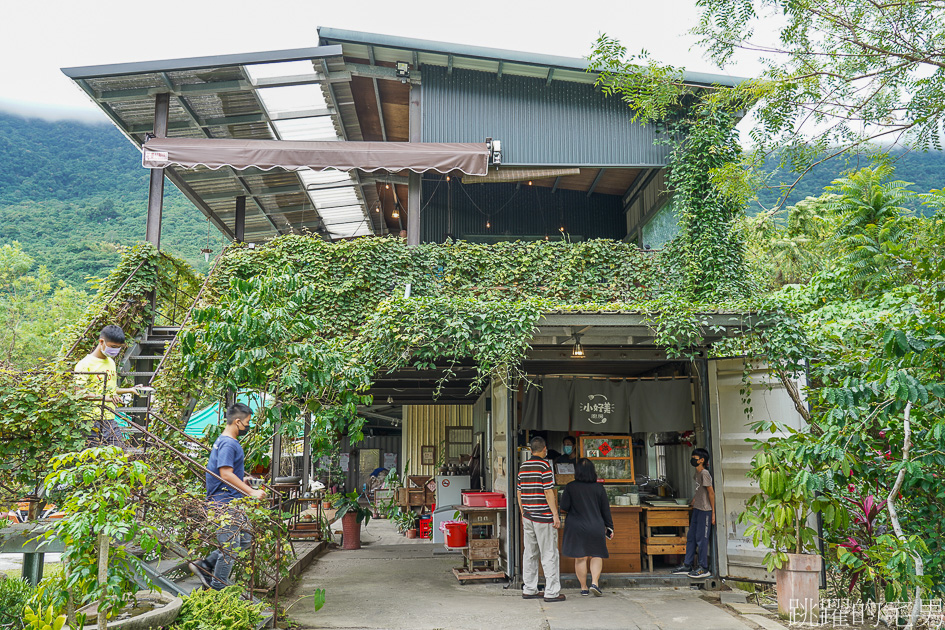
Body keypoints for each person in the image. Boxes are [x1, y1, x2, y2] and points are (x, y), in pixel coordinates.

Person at [189, 403, 266, 590]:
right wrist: (252, 492)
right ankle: (217, 589)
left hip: (231, 501)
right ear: (238, 421)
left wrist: (243, 480)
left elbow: (228, 473)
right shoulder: (229, 443)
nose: (248, 426)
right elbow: (225, 474)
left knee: (246, 539)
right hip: (224, 503)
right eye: (247, 422)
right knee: (230, 549)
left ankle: (205, 564)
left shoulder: (224, 441)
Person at [74, 324, 144, 446]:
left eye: (118, 348)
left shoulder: (111, 362)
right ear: (101, 341)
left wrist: (131, 390)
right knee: (91, 460)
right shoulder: (84, 364)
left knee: (118, 456)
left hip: (109, 417)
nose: (115, 350)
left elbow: (111, 389)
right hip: (89, 419)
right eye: (113, 347)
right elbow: (79, 393)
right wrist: (105, 399)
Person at [516, 436, 566, 602]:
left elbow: (519, 492)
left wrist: (524, 511)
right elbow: (548, 492)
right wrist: (555, 515)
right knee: (549, 553)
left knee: (530, 553)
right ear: (545, 449)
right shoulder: (544, 466)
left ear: (531, 450)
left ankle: (529, 588)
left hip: (528, 517)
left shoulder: (523, 466)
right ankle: (551, 591)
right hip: (543, 517)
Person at [560, 458, 613, 596]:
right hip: (595, 526)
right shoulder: (599, 488)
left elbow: (564, 507)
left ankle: (584, 587)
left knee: (580, 557)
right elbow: (605, 510)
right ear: (592, 471)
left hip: (576, 526)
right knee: (596, 555)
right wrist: (610, 527)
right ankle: (595, 583)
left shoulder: (570, 487)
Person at [673, 448, 715, 578]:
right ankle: (688, 564)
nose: (693, 459)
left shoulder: (704, 473)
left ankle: (703, 567)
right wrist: (694, 500)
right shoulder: (696, 474)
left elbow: (711, 493)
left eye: (695, 458)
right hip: (697, 509)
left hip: (705, 511)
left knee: (701, 539)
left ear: (702, 460)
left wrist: (713, 512)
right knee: (691, 537)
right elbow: (699, 490)